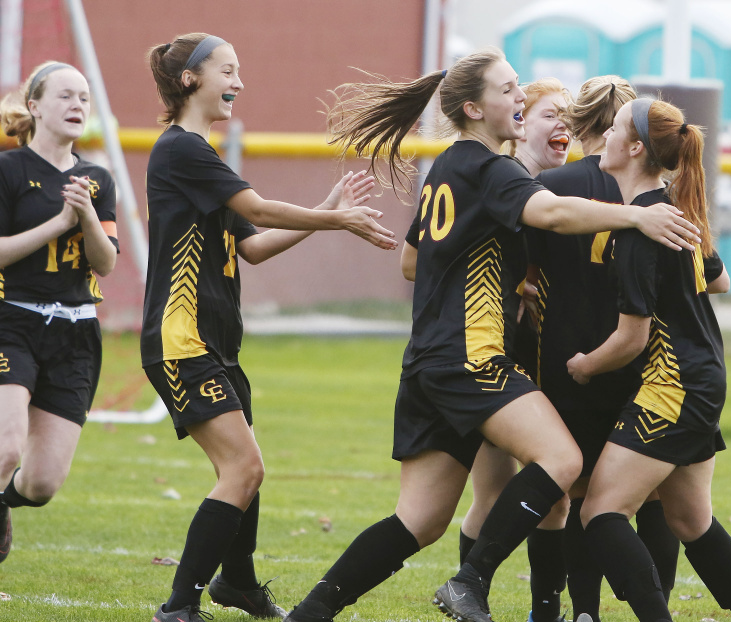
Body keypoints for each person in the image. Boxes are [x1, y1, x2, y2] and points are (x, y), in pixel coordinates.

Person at [285, 47, 700, 622]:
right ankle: (471, 581)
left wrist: (504, 281)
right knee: (562, 459)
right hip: (471, 357)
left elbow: (413, 262)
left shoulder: (451, 167)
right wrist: (635, 216)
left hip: (428, 361)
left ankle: (309, 613)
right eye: (508, 90)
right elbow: (552, 214)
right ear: (475, 108)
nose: (520, 98)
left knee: (420, 521)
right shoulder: (491, 168)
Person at [142, 33, 396, 622]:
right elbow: (257, 209)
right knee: (244, 469)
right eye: (228, 70)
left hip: (215, 344)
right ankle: (178, 606)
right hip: (182, 341)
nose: (240, 82)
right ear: (190, 80)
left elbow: (253, 245)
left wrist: (325, 214)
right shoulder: (181, 150)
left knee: (245, 469)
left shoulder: (205, 158)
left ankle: (239, 582)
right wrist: (335, 218)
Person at [566, 98, 731, 622]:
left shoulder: (642, 229)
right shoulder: (672, 213)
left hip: (673, 385)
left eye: (613, 129)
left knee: (600, 511)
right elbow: (718, 280)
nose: (603, 135)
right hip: (702, 375)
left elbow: (632, 339)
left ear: (634, 148)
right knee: (690, 518)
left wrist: (585, 365)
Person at [0, 61, 119, 590]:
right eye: (65, 95)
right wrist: (58, 222)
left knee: (40, 483)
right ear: (35, 106)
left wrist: (84, 216)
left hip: (77, 332)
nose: (77, 105)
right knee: (6, 448)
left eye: (83, 96)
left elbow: (105, 263)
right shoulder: (6, 170)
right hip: (11, 323)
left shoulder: (98, 179)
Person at [527, 76, 688, 622]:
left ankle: (582, 612)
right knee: (654, 499)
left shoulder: (554, 185)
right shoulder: (657, 200)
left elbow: (520, 266)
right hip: (640, 365)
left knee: (576, 493)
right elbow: (716, 278)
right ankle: (655, 604)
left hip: (568, 359)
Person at [455, 77, 575, 622]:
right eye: (552, 114)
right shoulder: (501, 182)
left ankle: (534, 609)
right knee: (504, 489)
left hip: (548, 358)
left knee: (553, 492)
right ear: (522, 122)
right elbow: (417, 261)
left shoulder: (568, 189)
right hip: (492, 357)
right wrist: (513, 286)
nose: (564, 126)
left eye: (571, 117)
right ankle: (469, 588)